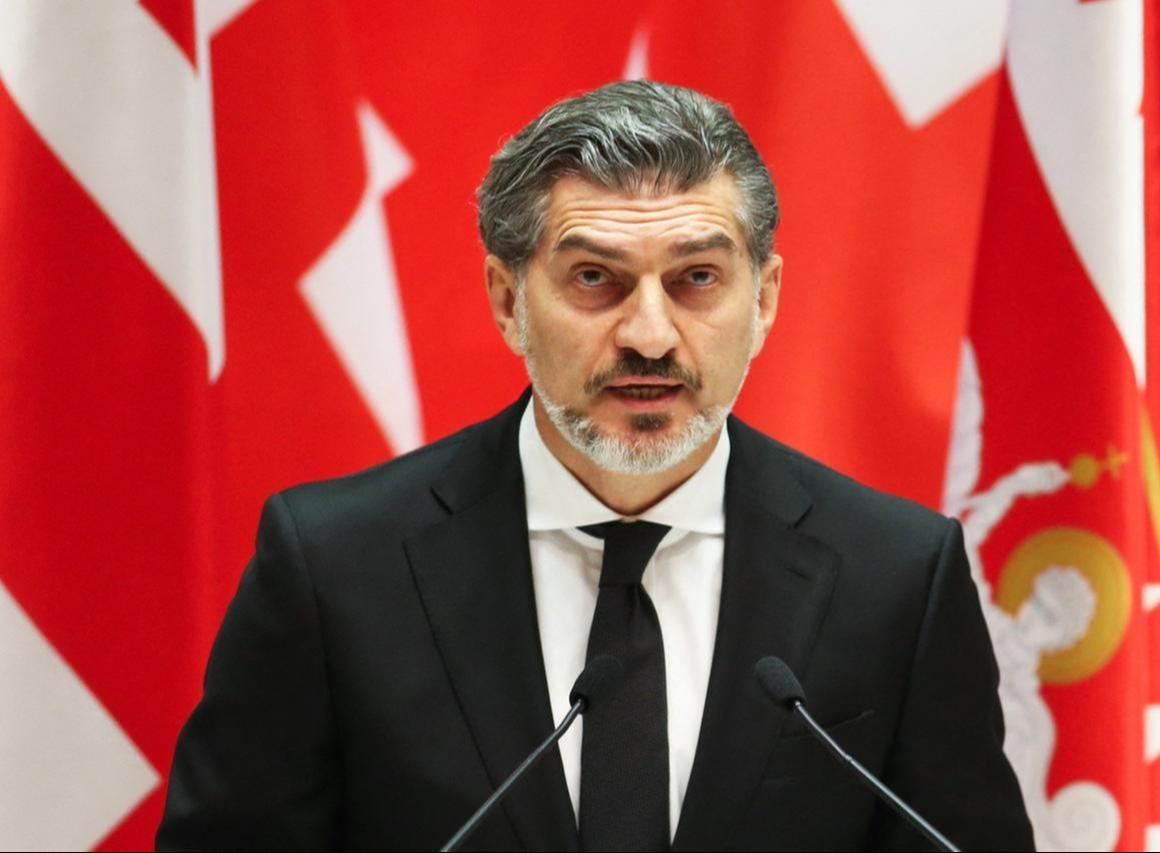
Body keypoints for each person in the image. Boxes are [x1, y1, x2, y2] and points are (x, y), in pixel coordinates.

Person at [157, 81, 1034, 852]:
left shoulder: (894, 574)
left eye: (696, 278)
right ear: (509, 301)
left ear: (763, 300)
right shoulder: (336, 567)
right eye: (594, 279)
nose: (649, 335)